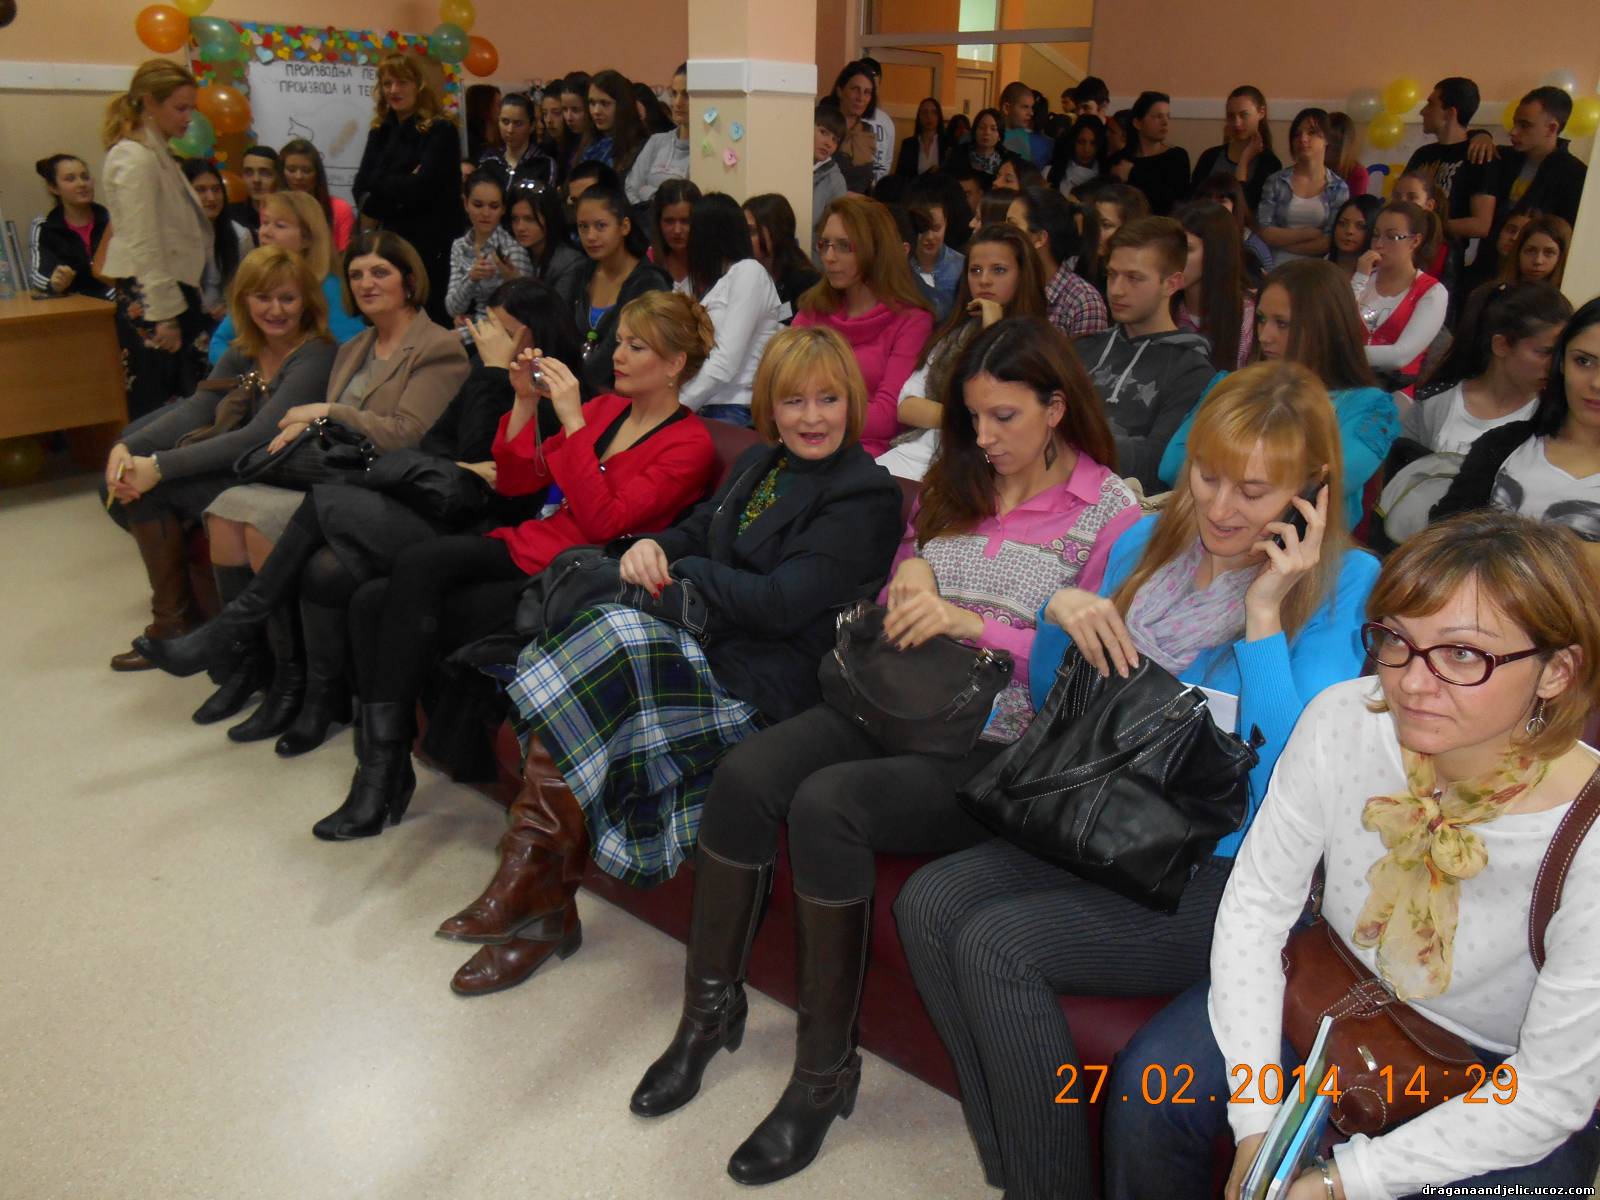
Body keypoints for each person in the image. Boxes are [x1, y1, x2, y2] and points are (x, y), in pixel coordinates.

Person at [632, 315, 1142, 1185]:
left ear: (1056, 408)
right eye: (972, 417)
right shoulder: (958, 479)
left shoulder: (1110, 514)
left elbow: (1095, 667)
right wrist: (912, 572)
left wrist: (970, 622)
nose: (985, 437)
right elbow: (895, 579)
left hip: (996, 743)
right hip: (895, 698)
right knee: (748, 776)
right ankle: (707, 1015)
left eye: (1005, 417)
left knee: (828, 806)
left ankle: (823, 1076)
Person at [898, 360, 1376, 1200]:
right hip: (1106, 813)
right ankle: (1024, 1169)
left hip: (1226, 868)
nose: (1221, 508)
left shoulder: (1342, 585)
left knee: (997, 946)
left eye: (1254, 491)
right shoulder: (1144, 542)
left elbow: (1292, 778)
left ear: (1311, 492)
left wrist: (1265, 615)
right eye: (1209, 476)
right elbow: (1065, 694)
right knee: (929, 903)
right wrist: (1060, 614)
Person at [1106, 509, 1600, 1200]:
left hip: (1496, 1066)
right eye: (1397, 639)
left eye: (1463, 654)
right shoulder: (1345, 718)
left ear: (1556, 671)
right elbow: (1257, 907)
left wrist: (1344, 1180)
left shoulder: (1588, 836)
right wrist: (1256, 1124)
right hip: (1332, 982)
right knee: (1150, 1089)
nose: (1412, 683)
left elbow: (1547, 1091)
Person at [439, 324, 906, 993]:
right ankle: (533, 891)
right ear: (770, 406)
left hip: (766, 682)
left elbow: (780, 604)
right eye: (794, 401)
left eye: (828, 400)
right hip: (702, 647)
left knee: (608, 640)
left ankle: (532, 892)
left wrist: (682, 570)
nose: (812, 418)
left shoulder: (865, 493)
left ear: (851, 404)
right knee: (601, 650)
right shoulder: (762, 463)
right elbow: (699, 528)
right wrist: (655, 546)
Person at [185, 233, 469, 735]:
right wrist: (307, 427)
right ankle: (253, 668)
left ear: (409, 281)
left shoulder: (438, 346)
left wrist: (326, 411)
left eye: (379, 272)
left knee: (274, 530)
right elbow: (328, 431)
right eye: (356, 274)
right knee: (227, 507)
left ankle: (302, 690)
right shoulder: (355, 346)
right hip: (337, 475)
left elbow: (409, 435)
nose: (366, 283)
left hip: (393, 488)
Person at [103, 247, 338, 674]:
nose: (275, 310)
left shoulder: (316, 354)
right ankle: (177, 623)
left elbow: (257, 436)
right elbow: (197, 409)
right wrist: (126, 446)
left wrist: (159, 466)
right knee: (130, 486)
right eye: (263, 297)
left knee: (155, 488)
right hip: (242, 467)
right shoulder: (245, 348)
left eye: (287, 298)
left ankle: (191, 633)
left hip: (279, 473)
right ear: (244, 300)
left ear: (307, 301)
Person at [1160, 259, 1399, 530]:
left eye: (1282, 324)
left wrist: (1214, 471)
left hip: (1305, 549)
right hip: (1205, 531)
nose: (1265, 336)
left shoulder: (1368, 406)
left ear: (1325, 326)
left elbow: (1322, 488)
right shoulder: (1230, 385)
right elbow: (1171, 465)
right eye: (1262, 319)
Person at [1434, 297, 1600, 565]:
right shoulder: (1503, 445)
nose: (1596, 383)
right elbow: (1444, 541)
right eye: (1583, 361)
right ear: (1560, 362)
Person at [877, 223, 1048, 481]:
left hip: (980, 465)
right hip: (918, 451)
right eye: (975, 270)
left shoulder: (1039, 344)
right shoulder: (954, 335)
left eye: (999, 270)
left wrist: (993, 329)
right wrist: (960, 417)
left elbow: (996, 405)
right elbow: (906, 406)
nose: (984, 280)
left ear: (1023, 275)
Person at [100, 59, 212, 420]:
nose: (188, 118)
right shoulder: (133, 157)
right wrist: (163, 315)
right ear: (149, 102)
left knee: (187, 394)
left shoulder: (158, 153)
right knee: (159, 398)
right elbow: (143, 242)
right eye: (180, 108)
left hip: (174, 289)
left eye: (191, 109)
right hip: (152, 296)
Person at [1075, 217, 1214, 490]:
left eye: (1134, 278)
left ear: (1172, 283)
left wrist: (1068, 437)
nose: (1116, 290)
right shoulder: (1081, 348)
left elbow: (1155, 467)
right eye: (1112, 274)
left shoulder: (1192, 372)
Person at [793, 196, 935, 457]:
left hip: (862, 453)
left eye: (844, 246)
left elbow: (887, 417)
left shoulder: (911, 320)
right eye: (824, 245)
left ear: (876, 250)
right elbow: (778, 386)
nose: (829, 257)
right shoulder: (813, 309)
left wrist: (804, 414)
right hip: (799, 441)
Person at [352, 52, 461, 327]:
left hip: (432, 250)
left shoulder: (440, 130)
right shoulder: (380, 131)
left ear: (418, 85)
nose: (393, 90)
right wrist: (404, 182)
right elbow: (361, 190)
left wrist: (383, 183)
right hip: (391, 247)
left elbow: (422, 190)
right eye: (387, 83)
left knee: (427, 325)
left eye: (402, 82)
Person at [1407, 281, 1571, 454]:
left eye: (1562, 354)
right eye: (1545, 352)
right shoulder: (1434, 403)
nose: (1556, 365)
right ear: (1501, 345)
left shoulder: (1558, 418)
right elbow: (1405, 467)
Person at [208, 191, 364, 364]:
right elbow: (219, 342)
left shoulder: (329, 286)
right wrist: (255, 372)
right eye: (265, 223)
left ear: (306, 239)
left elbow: (349, 351)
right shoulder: (256, 279)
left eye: (279, 226)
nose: (265, 232)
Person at [677, 192, 785, 425]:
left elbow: (726, 360)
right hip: (702, 401)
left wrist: (678, 407)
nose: (684, 236)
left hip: (735, 405)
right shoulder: (704, 283)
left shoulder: (749, 272)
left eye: (691, 228)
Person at [574, 182, 673, 394]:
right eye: (583, 226)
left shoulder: (649, 283)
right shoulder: (582, 272)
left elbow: (608, 360)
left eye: (601, 226)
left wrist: (574, 379)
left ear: (624, 226)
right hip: (581, 391)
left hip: (632, 395)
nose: (590, 236)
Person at [1405, 77, 1498, 295]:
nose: (1423, 112)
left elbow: (1481, 224)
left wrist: (1431, 225)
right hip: (1408, 251)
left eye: (1431, 104)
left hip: (1445, 259)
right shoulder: (1422, 154)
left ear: (1450, 112)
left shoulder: (1478, 156)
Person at [1351, 200, 1448, 394]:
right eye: (1376, 235)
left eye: (1392, 237)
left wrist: (1343, 354)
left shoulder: (1432, 292)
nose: (1379, 244)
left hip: (1395, 392)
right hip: (1350, 381)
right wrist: (1359, 278)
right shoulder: (1362, 279)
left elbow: (1400, 355)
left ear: (1415, 241)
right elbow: (1335, 324)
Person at [1007, 186, 1107, 338]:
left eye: (1012, 226)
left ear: (1040, 239)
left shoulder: (1083, 301)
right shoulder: (1007, 284)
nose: (1003, 233)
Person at [1257, 107, 1349, 265]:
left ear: (1327, 139)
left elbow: (1328, 242)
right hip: (1275, 265)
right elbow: (1265, 232)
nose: (1303, 139)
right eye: (1297, 134)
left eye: (1311, 132)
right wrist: (1308, 234)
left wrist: (1285, 242)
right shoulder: (1277, 181)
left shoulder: (1338, 188)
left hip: (1317, 268)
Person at [446, 170, 533, 328]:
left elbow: (523, 314)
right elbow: (453, 308)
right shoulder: (460, 246)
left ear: (503, 208)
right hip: (475, 327)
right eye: (478, 205)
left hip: (503, 332)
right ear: (465, 203)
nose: (485, 213)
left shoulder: (512, 250)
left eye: (494, 206)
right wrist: (471, 278)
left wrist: (513, 280)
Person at [1493, 86, 1588, 229]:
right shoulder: (1503, 157)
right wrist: (1480, 135)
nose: (1513, 131)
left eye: (1524, 125)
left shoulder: (1574, 175)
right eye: (1515, 123)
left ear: (1551, 128)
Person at [1175, 201, 1255, 370]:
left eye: (1187, 249)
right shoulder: (1163, 307)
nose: (1174, 257)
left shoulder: (1247, 316)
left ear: (1216, 252)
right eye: (1171, 247)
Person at [28, 154, 112, 299]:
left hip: (118, 301)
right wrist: (54, 282)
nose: (82, 184)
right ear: (54, 188)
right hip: (74, 304)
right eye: (70, 179)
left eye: (85, 177)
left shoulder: (111, 220)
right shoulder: (44, 227)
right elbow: (38, 275)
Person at [1191, 85, 1280, 212]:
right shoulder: (1210, 156)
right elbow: (1192, 201)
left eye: (1244, 115)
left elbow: (1246, 209)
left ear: (1261, 112)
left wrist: (1244, 161)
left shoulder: (1269, 164)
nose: (1237, 123)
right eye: (1231, 116)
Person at [1109, 91, 1190, 216]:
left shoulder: (1176, 157)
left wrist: (1132, 174)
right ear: (1138, 123)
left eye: (1167, 116)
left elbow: (1175, 201)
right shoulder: (1120, 160)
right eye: (1158, 116)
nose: (1165, 122)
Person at [507, 184, 586, 309]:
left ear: (549, 218)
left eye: (529, 219)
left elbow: (555, 314)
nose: (520, 227)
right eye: (515, 219)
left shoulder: (570, 262)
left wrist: (520, 284)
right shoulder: (514, 252)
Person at [744, 193, 820, 317]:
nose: (743, 238)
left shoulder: (805, 282)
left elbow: (786, 318)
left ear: (776, 232)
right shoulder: (747, 275)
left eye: (751, 231)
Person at [625, 65, 689, 207]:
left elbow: (687, 200)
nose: (677, 103)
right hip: (643, 217)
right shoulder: (657, 141)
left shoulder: (704, 151)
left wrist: (646, 191)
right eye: (674, 94)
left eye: (687, 95)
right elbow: (631, 188)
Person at [277, 139, 355, 254]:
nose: (299, 176)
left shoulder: (339, 209)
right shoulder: (273, 208)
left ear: (317, 173)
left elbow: (344, 258)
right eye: (291, 170)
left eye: (307, 171)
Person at [1192, 172, 1275, 278]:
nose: (1213, 207)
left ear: (1236, 206)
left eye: (1221, 201)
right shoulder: (1191, 235)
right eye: (1208, 200)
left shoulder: (1252, 248)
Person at [476, 93, 559, 196]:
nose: (510, 130)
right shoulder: (489, 161)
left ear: (532, 125)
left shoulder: (544, 164)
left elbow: (546, 201)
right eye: (505, 122)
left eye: (518, 123)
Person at [906, 179, 964, 321]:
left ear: (946, 224)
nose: (930, 237)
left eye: (936, 228)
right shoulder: (900, 265)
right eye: (923, 229)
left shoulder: (961, 266)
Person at [822, 61, 883, 190]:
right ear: (840, 91)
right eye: (855, 89)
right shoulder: (823, 125)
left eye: (867, 92)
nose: (860, 98)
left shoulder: (867, 130)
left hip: (860, 201)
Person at [576, 69, 648, 175]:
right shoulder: (588, 144)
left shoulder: (640, 148)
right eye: (592, 103)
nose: (596, 111)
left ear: (622, 106)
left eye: (604, 103)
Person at [946, 108, 1017, 187]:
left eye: (993, 129)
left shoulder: (1008, 160)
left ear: (999, 135)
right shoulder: (958, 155)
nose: (987, 132)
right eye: (982, 127)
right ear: (975, 131)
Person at [1498, 213, 1571, 289]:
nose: (1538, 261)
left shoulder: (1568, 294)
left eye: (1549, 253)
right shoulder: (1497, 292)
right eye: (1530, 251)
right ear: (1518, 252)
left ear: (1561, 256)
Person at [228, 145, 281, 242]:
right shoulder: (230, 216)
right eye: (249, 172)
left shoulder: (289, 216)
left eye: (265, 173)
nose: (256, 180)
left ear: (278, 177)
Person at [1050, 114, 1107, 198]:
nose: (1086, 149)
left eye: (1093, 143)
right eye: (1081, 142)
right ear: (1073, 141)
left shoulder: (1106, 176)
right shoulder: (1053, 172)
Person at [1326, 194, 1383, 279]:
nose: (1349, 231)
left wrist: (1361, 276)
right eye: (1342, 223)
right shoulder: (1322, 266)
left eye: (1360, 226)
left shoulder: (1379, 276)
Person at [896, 97, 947, 178]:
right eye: (925, 112)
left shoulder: (947, 144)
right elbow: (900, 176)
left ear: (939, 117)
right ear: (919, 116)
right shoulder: (908, 144)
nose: (929, 116)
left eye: (934, 112)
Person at [812, 105, 849, 218]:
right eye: (824, 132)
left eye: (835, 140)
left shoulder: (836, 182)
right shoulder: (787, 162)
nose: (829, 144)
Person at [1325, 111, 1369, 199]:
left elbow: (1355, 206)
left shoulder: (1357, 173)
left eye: (1334, 145)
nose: (1328, 147)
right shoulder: (1308, 167)